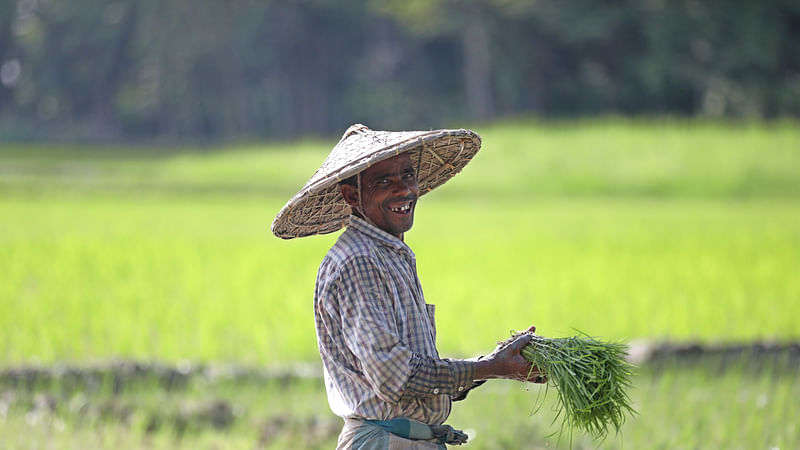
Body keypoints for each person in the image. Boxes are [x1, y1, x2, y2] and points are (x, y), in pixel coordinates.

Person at [272, 124, 544, 449]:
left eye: (407, 175)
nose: (403, 190)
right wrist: (493, 367)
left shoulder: (391, 256)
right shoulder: (359, 261)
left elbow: (422, 377)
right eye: (384, 181)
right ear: (352, 195)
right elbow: (396, 376)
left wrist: (494, 363)